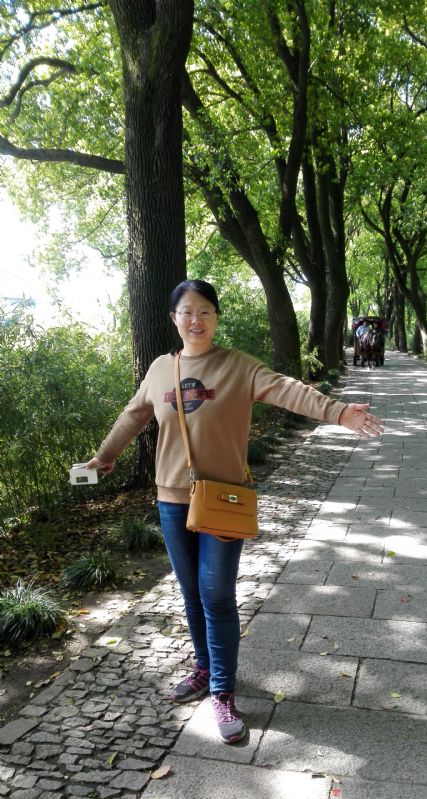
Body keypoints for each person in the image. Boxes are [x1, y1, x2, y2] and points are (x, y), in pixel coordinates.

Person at [86, 279, 384, 745]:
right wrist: (104, 457)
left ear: (216, 317)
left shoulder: (237, 366)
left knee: (217, 594)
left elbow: (287, 389)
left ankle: (222, 692)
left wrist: (337, 411)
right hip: (172, 501)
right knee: (191, 593)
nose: (196, 320)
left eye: (205, 311)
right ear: (174, 318)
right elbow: (133, 415)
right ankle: (205, 668)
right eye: (187, 312)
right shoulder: (161, 369)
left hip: (224, 499)